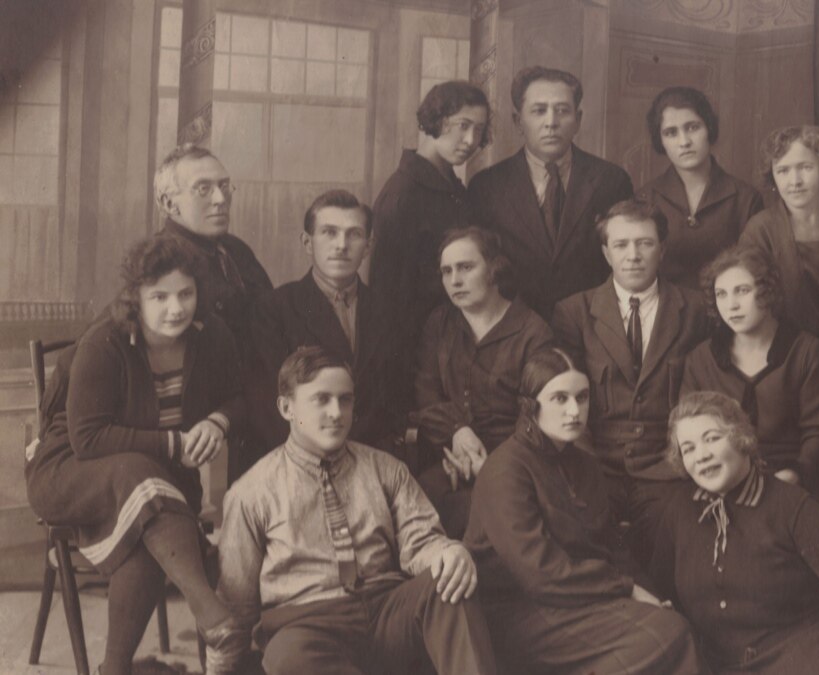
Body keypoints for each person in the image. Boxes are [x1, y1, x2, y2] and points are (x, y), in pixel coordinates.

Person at [25, 237, 242, 675]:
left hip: (156, 485)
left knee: (145, 541)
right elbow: (88, 439)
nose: (175, 308)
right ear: (135, 298)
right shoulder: (104, 342)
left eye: (185, 294)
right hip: (71, 472)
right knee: (138, 473)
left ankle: (114, 669)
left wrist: (218, 421)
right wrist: (176, 444)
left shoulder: (211, 335)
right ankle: (210, 610)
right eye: (159, 297)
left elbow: (240, 395)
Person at [213, 346, 497, 675]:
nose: (336, 412)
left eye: (345, 399)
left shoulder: (385, 468)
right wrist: (219, 669)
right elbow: (236, 604)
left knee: (449, 585)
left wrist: (448, 552)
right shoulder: (250, 492)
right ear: (287, 408)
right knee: (286, 655)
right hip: (309, 625)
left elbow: (421, 540)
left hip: (386, 611)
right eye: (321, 400)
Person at [464, 347, 709, 675]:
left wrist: (648, 592)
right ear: (530, 406)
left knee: (672, 620)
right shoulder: (505, 470)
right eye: (560, 399)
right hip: (519, 612)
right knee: (667, 634)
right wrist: (626, 588)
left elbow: (611, 546)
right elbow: (540, 575)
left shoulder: (585, 465)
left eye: (582, 398)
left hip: (576, 599)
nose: (574, 411)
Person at [655, 391, 819, 675]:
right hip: (723, 666)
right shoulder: (680, 510)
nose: (702, 456)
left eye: (712, 438)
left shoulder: (792, 505)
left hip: (809, 656)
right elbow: (658, 589)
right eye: (688, 449)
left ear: (740, 437)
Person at [551, 198, 709, 566]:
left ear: (662, 249)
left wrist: (687, 464)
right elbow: (565, 401)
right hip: (597, 464)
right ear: (606, 253)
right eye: (621, 245)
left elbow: (704, 396)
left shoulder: (696, 310)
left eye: (645, 243)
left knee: (680, 543)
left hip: (667, 466)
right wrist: (583, 469)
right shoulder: (574, 313)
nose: (633, 256)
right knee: (581, 540)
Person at [247, 190, 407, 474]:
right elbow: (269, 407)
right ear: (307, 242)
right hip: (300, 466)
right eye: (329, 233)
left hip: (373, 464)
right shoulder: (274, 309)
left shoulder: (389, 311)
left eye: (354, 234)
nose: (341, 245)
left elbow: (396, 400)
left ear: (368, 246)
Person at [414, 226, 555, 537]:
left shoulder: (532, 332)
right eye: (447, 271)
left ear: (494, 269)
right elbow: (427, 393)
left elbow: (538, 416)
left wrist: (490, 466)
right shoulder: (440, 324)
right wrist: (458, 431)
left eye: (466, 267)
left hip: (517, 463)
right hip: (452, 458)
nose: (455, 280)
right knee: (421, 502)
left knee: (488, 512)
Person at [469, 65, 634, 318]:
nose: (551, 123)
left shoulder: (611, 181)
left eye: (562, 111)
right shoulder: (487, 186)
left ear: (578, 120)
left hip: (592, 325)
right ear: (518, 121)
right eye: (539, 111)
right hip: (515, 328)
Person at [681, 246, 819, 508]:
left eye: (742, 290)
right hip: (720, 481)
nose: (731, 305)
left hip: (790, 481)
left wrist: (796, 473)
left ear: (767, 292)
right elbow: (688, 432)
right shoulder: (701, 359)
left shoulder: (807, 351)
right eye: (721, 294)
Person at [370, 80, 490, 333]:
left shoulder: (452, 187)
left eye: (479, 130)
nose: (471, 140)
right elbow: (387, 300)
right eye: (463, 126)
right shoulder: (402, 195)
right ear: (437, 121)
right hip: (418, 338)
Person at [635, 86, 763, 288]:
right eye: (671, 133)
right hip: (665, 306)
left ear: (709, 128)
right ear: (661, 141)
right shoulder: (646, 197)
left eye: (693, 128)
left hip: (727, 305)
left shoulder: (746, 198)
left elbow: (754, 273)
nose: (684, 142)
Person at [740, 125, 819, 336]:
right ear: (773, 177)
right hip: (784, 347)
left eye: (805, 167)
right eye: (783, 171)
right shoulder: (759, 231)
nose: (795, 181)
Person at [154, 143, 272, 347]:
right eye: (203, 189)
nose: (220, 199)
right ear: (169, 203)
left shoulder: (236, 249)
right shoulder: (157, 261)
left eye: (224, 186)